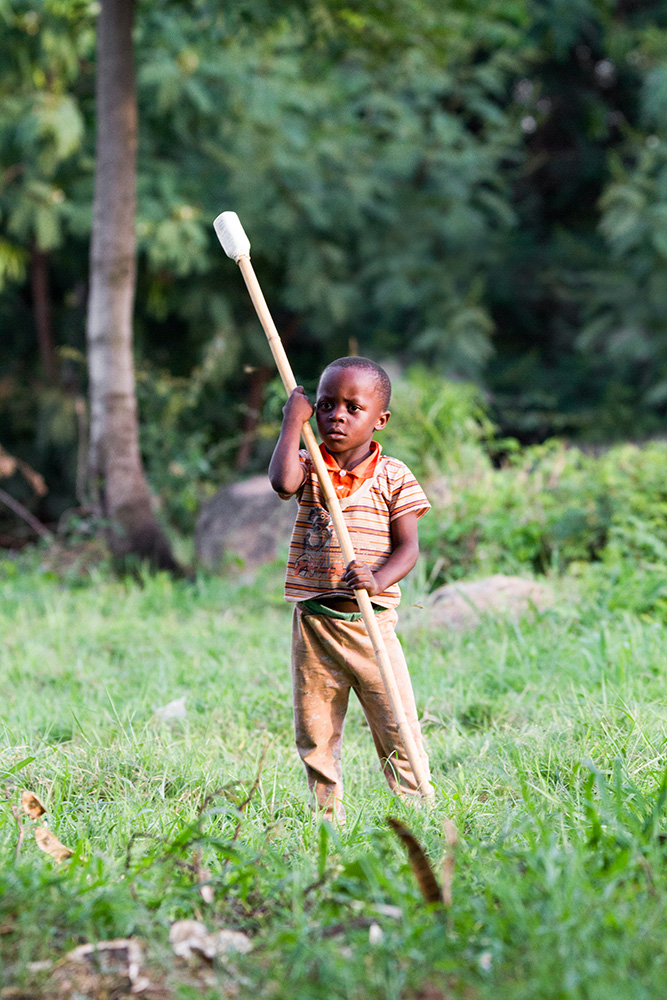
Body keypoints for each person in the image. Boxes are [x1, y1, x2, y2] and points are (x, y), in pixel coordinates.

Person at [268, 356, 431, 822]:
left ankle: (418, 810)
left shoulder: (394, 476)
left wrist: (377, 580)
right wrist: (290, 422)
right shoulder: (308, 464)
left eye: (352, 408)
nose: (336, 416)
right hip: (315, 625)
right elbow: (282, 483)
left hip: (370, 625)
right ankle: (327, 818)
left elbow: (407, 549)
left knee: (397, 724)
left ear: (380, 420)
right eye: (325, 405)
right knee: (316, 730)